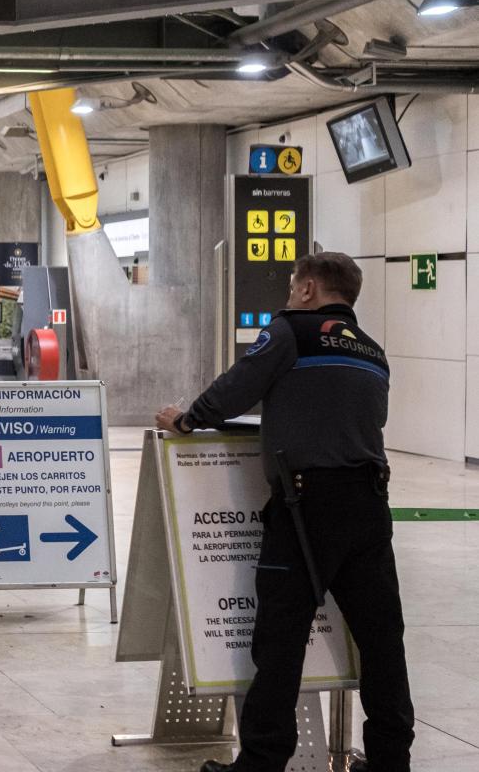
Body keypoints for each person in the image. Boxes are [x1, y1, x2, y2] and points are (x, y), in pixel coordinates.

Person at [154, 252, 412, 772]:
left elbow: (236, 388)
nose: (291, 293)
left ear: (309, 288)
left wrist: (187, 419)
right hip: (369, 505)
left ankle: (262, 761)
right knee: (382, 640)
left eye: (294, 285)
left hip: (305, 508)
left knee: (280, 638)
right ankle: (391, 760)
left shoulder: (291, 331)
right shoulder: (372, 350)